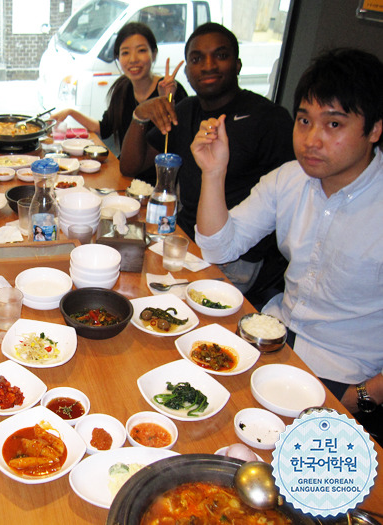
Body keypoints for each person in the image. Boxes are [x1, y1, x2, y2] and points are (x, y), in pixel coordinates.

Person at [191, 48, 383, 440]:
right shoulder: (289, 179)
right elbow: (218, 248)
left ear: (375, 129)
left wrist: (361, 396)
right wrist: (215, 172)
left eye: (333, 124)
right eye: (304, 121)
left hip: (345, 377)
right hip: (274, 342)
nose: (312, 140)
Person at [120, 23, 294, 305]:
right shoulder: (185, 110)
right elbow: (130, 166)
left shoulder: (269, 118)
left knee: (147, 302)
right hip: (180, 238)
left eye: (220, 55)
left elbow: (291, 202)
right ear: (187, 70)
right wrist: (139, 116)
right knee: (118, 273)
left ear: (237, 64)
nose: (208, 65)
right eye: (197, 58)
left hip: (237, 257)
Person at [51, 22, 187, 152]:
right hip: (128, 169)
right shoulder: (122, 89)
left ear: (154, 53)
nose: (133, 59)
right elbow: (104, 128)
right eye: (125, 52)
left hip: (161, 173)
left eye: (141, 50)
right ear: (118, 58)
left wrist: (166, 99)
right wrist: (70, 112)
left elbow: (179, 141)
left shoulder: (172, 89)